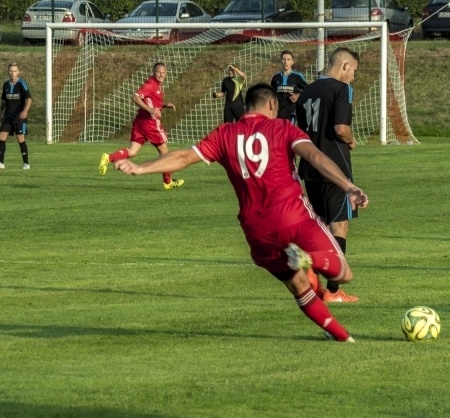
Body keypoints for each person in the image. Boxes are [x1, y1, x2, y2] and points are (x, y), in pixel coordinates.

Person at [113, 83, 369, 342]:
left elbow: (181, 158)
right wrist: (349, 186)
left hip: (257, 230)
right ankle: (309, 259)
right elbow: (315, 157)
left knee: (299, 287)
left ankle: (341, 337)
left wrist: (140, 168)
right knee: (343, 273)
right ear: (271, 105)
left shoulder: (225, 134)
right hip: (294, 217)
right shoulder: (282, 128)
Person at [296, 47, 361, 303]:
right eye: (353, 71)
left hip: (310, 166)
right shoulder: (341, 89)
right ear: (344, 66)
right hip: (335, 167)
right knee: (339, 225)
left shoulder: (307, 91)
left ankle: (310, 281)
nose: (353, 78)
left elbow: (299, 130)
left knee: (319, 226)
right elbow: (341, 128)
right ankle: (333, 291)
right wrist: (351, 140)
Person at [99, 62, 185, 190]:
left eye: (163, 72)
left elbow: (152, 101)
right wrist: (150, 110)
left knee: (133, 152)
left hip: (140, 122)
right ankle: (168, 182)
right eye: (158, 72)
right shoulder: (150, 84)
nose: (161, 74)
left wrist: (164, 105)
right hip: (150, 123)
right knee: (165, 153)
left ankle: (109, 157)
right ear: (153, 72)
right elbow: (135, 97)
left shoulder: (158, 85)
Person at [0, 63, 32, 170]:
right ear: (8, 72)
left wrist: (25, 111)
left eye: (14, 71)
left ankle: (26, 163)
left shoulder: (22, 84)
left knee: (20, 138)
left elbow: (29, 99)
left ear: (18, 72)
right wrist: (0, 112)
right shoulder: (6, 84)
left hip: (19, 116)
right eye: (10, 71)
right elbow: (4, 100)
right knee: (1, 136)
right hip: (8, 116)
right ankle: (0, 163)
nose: (12, 73)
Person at [270, 50, 308, 123]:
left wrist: (298, 95)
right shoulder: (275, 77)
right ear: (281, 61)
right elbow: (272, 94)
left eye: (288, 59)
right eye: (283, 59)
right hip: (278, 113)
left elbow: (308, 90)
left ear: (292, 62)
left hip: (292, 113)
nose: (286, 62)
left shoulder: (298, 77)